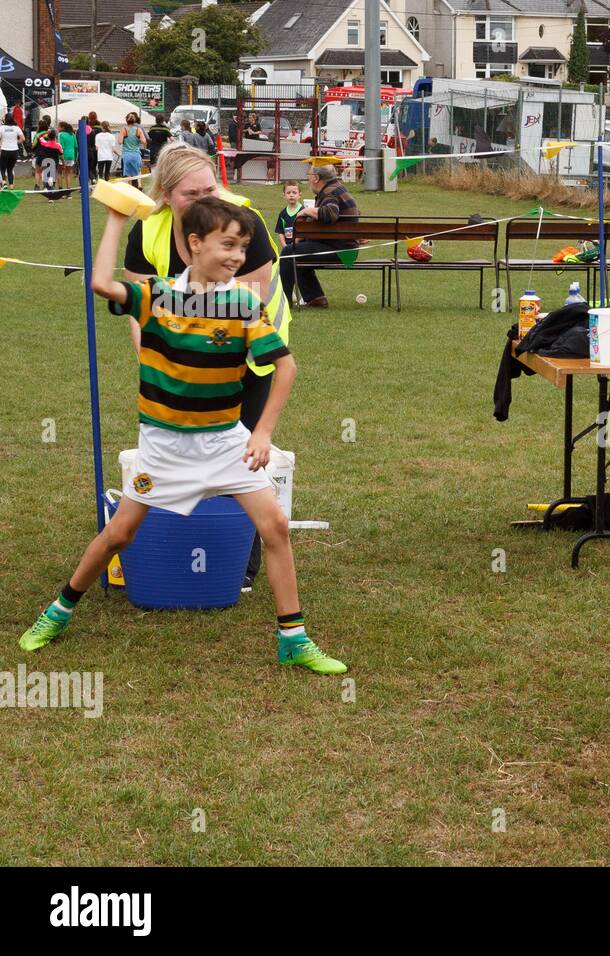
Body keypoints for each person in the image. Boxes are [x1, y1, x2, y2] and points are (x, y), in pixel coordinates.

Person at [18, 197, 346, 676]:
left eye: (243, 246)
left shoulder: (243, 303)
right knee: (120, 534)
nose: (237, 256)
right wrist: (114, 220)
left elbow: (286, 366)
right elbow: (101, 284)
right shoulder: (157, 295)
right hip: (164, 448)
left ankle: (292, 638)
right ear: (195, 244)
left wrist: (262, 432)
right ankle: (58, 612)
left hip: (225, 443)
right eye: (227, 245)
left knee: (274, 527)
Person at [123, 144, 294, 590]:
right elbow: (138, 309)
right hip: (182, 358)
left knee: (244, 455)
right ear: (164, 194)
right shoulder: (148, 230)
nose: (201, 200)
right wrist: (153, 362)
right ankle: (181, 542)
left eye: (208, 189)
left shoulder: (243, 222)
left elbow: (250, 298)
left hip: (249, 353)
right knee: (178, 448)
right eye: (189, 194)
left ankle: (243, 564)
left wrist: (215, 364)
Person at [279, 163, 359, 308]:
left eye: (309, 176)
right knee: (300, 250)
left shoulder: (330, 193)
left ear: (316, 178)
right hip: (346, 249)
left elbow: (330, 213)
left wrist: (308, 211)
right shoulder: (338, 189)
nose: (308, 180)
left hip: (340, 252)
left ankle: (285, 301)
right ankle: (316, 298)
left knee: (288, 252)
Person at [274, 181, 304, 250]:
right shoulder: (282, 213)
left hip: (300, 246)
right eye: (288, 193)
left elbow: (304, 231)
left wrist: (295, 242)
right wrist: (284, 245)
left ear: (299, 195)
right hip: (287, 247)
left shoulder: (303, 211)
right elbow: (280, 231)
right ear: (284, 195)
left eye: (294, 192)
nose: (291, 195)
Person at [118, 112, 145, 187]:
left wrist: (125, 138)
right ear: (135, 120)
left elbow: (119, 142)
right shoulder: (138, 130)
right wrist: (138, 139)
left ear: (126, 120)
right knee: (137, 173)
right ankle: (139, 186)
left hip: (127, 155)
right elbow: (144, 141)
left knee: (127, 174)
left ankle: (127, 189)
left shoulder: (124, 129)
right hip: (136, 154)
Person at [0, 112, 24, 188]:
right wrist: (15, 142)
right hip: (14, 151)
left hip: (5, 150)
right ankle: (11, 186)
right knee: (10, 169)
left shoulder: (2, 128)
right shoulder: (16, 128)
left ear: (5, 119)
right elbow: (23, 139)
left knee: (2, 168)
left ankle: (4, 182)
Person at [56, 121, 77, 189]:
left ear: (62, 128)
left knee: (59, 172)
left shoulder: (60, 134)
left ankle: (60, 189)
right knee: (68, 173)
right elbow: (76, 146)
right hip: (71, 156)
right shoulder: (72, 134)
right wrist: (75, 157)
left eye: (58, 126)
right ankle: (68, 191)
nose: (57, 128)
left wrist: (59, 156)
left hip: (63, 156)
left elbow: (60, 146)